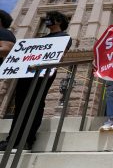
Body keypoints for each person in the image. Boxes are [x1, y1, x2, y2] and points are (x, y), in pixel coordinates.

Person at [0, 11, 72, 151]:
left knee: (35, 103)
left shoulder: (64, 37)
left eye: (50, 18)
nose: (47, 20)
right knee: (20, 104)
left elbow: (59, 55)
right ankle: (12, 140)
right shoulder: (40, 39)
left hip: (44, 73)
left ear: (58, 21)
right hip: (26, 73)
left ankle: (27, 140)